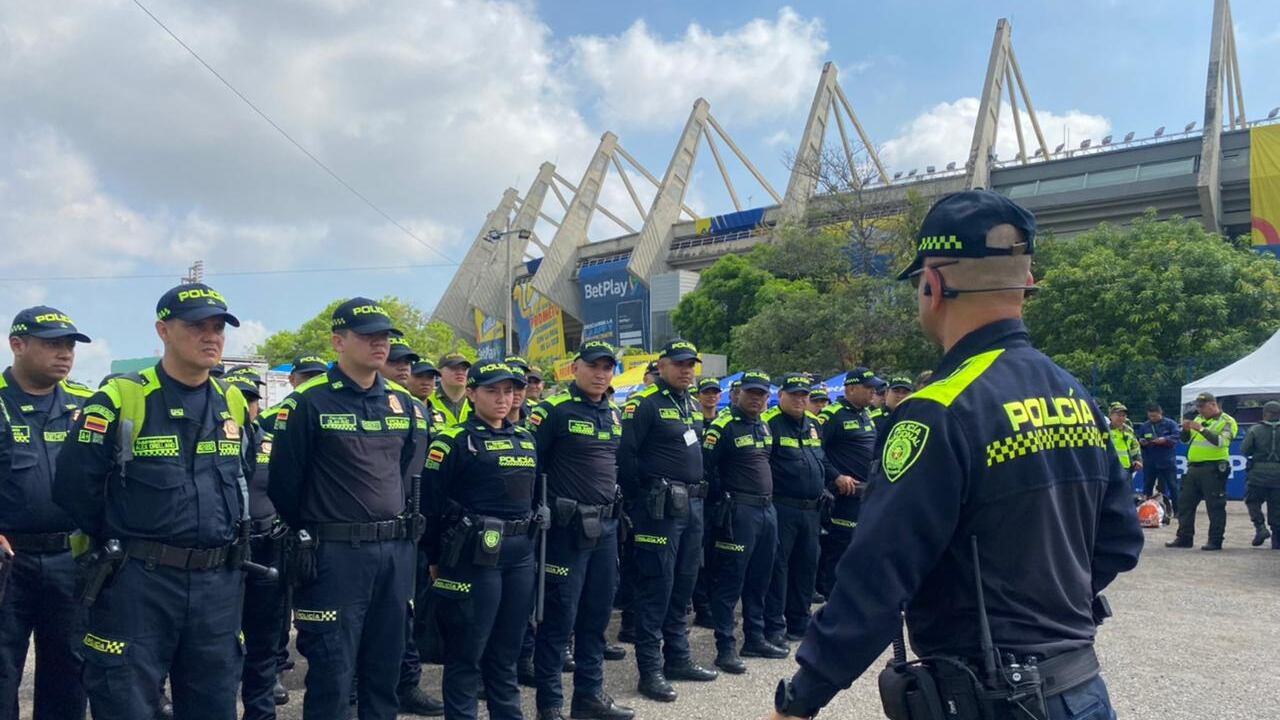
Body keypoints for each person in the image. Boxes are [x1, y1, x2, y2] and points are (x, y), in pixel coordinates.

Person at [771, 190, 1143, 720]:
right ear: (1026, 283)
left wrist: (797, 704)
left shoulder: (939, 408)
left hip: (992, 696)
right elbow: (1121, 541)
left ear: (934, 283)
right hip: (1079, 687)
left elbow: (877, 576)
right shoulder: (1073, 394)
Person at [53, 283, 257, 720]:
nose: (211, 336)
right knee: (125, 701)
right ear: (163, 330)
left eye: (218, 327)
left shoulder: (233, 400)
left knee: (214, 704)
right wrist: (124, 540)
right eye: (197, 326)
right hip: (138, 582)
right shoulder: (120, 398)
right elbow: (73, 487)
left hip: (217, 584)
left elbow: (245, 476)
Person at [268, 297, 426, 720]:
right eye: (368, 335)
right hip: (334, 555)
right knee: (333, 674)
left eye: (385, 337)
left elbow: (409, 468)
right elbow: (285, 485)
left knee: (384, 671)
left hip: (392, 554)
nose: (380, 344)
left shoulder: (403, 403)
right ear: (339, 341)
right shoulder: (308, 402)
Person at [422, 361, 538, 720]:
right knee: (467, 653)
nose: (503, 398)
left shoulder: (526, 438)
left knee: (507, 652)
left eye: (508, 390)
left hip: (519, 557)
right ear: (471, 394)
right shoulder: (452, 441)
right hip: (472, 558)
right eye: (492, 390)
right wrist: (434, 560)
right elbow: (430, 507)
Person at [527, 341, 633, 720]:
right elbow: (530, 468)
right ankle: (550, 703)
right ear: (575, 368)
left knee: (596, 615)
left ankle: (589, 696)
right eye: (594, 366)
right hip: (566, 531)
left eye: (608, 367)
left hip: (605, 527)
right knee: (558, 618)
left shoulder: (614, 413)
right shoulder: (551, 411)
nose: (601, 373)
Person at [0, 306, 93, 720]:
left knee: (69, 671)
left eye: (69, 345)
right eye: (53, 344)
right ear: (17, 345)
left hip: (69, 560)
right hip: (8, 562)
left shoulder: (87, 405)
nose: (65, 354)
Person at [618, 339, 718, 703]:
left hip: (691, 506)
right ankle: (651, 670)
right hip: (658, 508)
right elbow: (626, 458)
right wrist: (640, 503)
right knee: (655, 588)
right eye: (679, 364)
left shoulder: (689, 404)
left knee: (683, 586)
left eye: (691, 364)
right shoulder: (644, 403)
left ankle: (677, 658)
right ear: (661, 365)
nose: (687, 370)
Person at [703, 370, 786, 674]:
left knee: (760, 578)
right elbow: (706, 469)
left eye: (762, 394)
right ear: (737, 394)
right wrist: (722, 505)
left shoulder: (764, 425)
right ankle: (725, 648)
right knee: (730, 580)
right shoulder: (722, 426)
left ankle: (755, 637)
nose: (756, 398)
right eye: (751, 393)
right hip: (738, 512)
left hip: (766, 512)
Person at [221, 373, 291, 718]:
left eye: (252, 397)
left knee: (265, 637)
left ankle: (261, 709)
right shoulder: (217, 439)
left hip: (267, 545)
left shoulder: (271, 440)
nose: (247, 404)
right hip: (225, 550)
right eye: (241, 397)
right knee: (219, 642)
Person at [763, 374, 833, 649]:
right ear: (780, 395)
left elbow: (822, 459)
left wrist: (835, 478)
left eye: (804, 395)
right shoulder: (770, 423)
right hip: (783, 507)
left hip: (812, 510)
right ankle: (774, 625)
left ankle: (799, 622)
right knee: (778, 569)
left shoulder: (814, 424)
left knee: (807, 567)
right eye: (794, 395)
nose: (800, 399)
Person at [813, 368, 877, 599]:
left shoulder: (866, 414)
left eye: (874, 388)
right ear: (851, 388)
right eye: (868, 387)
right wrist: (836, 476)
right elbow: (815, 451)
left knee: (860, 547)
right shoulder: (832, 415)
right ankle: (832, 596)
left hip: (866, 495)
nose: (873, 392)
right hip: (842, 496)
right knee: (839, 548)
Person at [1167, 392, 1238, 551]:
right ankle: (1184, 538)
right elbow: (1185, 441)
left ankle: (1215, 540)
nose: (1200, 411)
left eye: (1203, 407)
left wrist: (1201, 429)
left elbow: (1221, 442)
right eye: (1198, 407)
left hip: (1213, 468)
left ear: (1213, 405)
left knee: (1215, 506)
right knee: (1185, 504)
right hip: (1193, 468)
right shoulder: (1198, 419)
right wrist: (1185, 429)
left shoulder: (1227, 421)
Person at [690, 376, 723, 628]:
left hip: (718, 499)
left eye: (715, 392)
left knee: (714, 556)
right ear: (699, 395)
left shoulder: (722, 423)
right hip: (696, 497)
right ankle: (701, 606)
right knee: (698, 557)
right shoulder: (693, 421)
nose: (711, 396)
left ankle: (710, 603)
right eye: (706, 392)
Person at [1241, 400, 1280, 548]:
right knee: (1277, 506)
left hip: (1258, 474)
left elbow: (1245, 449)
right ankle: (1277, 540)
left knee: (1253, 501)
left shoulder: (1255, 429)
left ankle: (1260, 527)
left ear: (1265, 413)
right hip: (1278, 475)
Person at [1137, 403, 1180, 523]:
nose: (1152, 418)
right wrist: (1141, 442)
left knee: (1172, 486)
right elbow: (1138, 439)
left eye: (1155, 416)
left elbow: (1176, 437)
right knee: (1147, 486)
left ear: (1161, 413)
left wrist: (1165, 440)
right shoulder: (1145, 426)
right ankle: (1144, 510)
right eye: (1150, 416)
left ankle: (1177, 510)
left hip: (1167, 460)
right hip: (1150, 461)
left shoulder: (1170, 424)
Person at [431, 353, 473, 426]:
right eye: (454, 368)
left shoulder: (477, 400)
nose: (460, 372)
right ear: (439, 372)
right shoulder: (427, 401)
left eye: (464, 369)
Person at [1107, 403, 1142, 487]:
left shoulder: (1128, 430)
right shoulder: (1105, 430)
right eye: (1118, 415)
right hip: (1109, 468)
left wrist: (1138, 460)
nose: (1121, 418)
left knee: (1125, 494)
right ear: (1110, 416)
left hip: (1127, 468)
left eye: (1124, 415)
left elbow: (1135, 447)